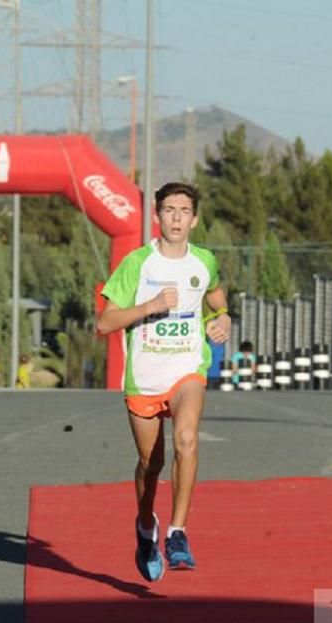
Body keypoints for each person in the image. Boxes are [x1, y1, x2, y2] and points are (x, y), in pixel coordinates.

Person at [96, 182, 231, 582]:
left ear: (195, 218)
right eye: (169, 210)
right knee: (149, 464)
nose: (176, 218)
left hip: (187, 369)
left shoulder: (204, 261)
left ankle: (177, 534)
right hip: (145, 377)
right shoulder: (138, 263)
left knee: (186, 439)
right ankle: (144, 526)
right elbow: (105, 322)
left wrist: (222, 318)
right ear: (157, 216)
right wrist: (150, 307)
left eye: (183, 210)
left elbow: (216, 294)